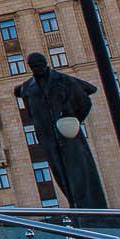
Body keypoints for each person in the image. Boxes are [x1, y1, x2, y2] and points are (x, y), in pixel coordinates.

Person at [14, 51, 109, 209]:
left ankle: (91, 209)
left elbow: (86, 97)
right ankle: (75, 206)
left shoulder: (62, 80)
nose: (38, 69)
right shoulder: (27, 88)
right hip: (48, 138)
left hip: (68, 134)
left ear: (45, 64)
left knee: (80, 171)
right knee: (60, 173)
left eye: (40, 65)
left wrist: (73, 120)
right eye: (34, 66)